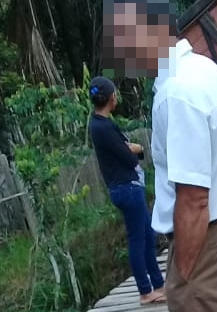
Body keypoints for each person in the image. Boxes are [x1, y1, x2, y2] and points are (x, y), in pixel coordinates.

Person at [104, 0, 217, 312]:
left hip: (208, 249)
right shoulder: (205, 70)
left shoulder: (177, 93)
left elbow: (194, 198)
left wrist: (185, 275)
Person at [88, 76, 166, 306]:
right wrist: (138, 148)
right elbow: (126, 154)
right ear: (111, 97)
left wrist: (131, 148)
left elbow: (124, 148)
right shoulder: (103, 126)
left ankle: (158, 285)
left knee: (148, 236)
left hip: (125, 187)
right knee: (137, 239)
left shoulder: (99, 123)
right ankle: (145, 291)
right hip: (127, 188)